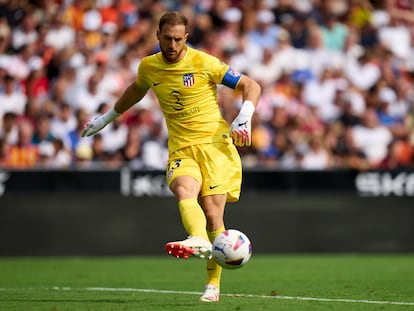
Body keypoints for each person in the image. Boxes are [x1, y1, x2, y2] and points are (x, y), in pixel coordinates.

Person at [81, 11, 261, 302]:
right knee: (183, 188)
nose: (173, 44)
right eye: (167, 38)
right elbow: (136, 90)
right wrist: (106, 118)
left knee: (215, 217)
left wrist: (245, 114)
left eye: (178, 39)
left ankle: (212, 285)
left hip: (215, 147)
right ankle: (198, 238)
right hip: (181, 147)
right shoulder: (149, 67)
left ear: (186, 38)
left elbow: (251, 86)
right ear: (158, 36)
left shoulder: (204, 62)